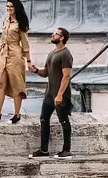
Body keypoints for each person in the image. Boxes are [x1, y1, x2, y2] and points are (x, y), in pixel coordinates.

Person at [28, 27, 73, 159]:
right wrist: (36, 71)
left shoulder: (66, 54)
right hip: (49, 94)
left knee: (64, 121)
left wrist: (60, 95)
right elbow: (46, 73)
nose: (53, 35)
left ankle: (66, 150)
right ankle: (44, 150)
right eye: (54, 33)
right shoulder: (52, 53)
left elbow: (66, 76)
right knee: (43, 118)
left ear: (62, 37)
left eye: (56, 34)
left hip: (61, 94)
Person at [0, 0, 31, 124]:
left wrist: (28, 61)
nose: (9, 8)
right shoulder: (6, 21)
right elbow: (2, 41)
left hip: (15, 56)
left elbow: (25, 43)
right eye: (7, 6)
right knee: (0, 83)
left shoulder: (20, 23)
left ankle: (17, 114)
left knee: (16, 84)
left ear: (16, 8)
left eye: (11, 6)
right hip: (3, 55)